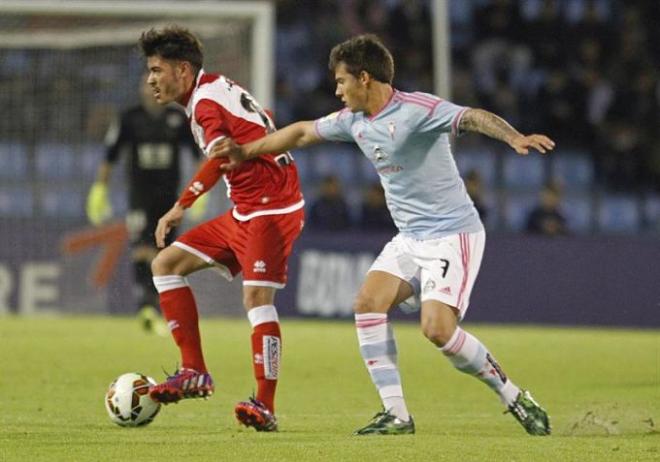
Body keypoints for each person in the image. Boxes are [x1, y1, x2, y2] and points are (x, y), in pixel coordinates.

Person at [211, 34, 554, 436]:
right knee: (367, 303)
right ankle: (396, 414)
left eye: (341, 82)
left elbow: (472, 116)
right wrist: (246, 152)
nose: (337, 91)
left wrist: (513, 136)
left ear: (364, 78)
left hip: (451, 234)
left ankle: (513, 396)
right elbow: (302, 132)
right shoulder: (354, 122)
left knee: (437, 329)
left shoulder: (417, 110)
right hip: (410, 237)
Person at [137, 26, 305, 432]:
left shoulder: (207, 104)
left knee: (256, 300)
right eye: (149, 71)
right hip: (245, 209)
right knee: (166, 264)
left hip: (273, 208)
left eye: (157, 69)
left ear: (182, 69)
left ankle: (265, 405)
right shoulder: (210, 89)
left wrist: (180, 206)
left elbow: (222, 157)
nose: (150, 79)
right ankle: (193, 370)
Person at [86, 75, 201, 334]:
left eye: (156, 85)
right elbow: (109, 156)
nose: (151, 90)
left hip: (170, 200)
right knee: (141, 249)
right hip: (140, 197)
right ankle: (146, 306)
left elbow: (198, 156)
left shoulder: (178, 118)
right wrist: (99, 188)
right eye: (146, 86)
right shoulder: (128, 118)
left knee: (165, 255)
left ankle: (160, 309)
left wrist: (199, 191)